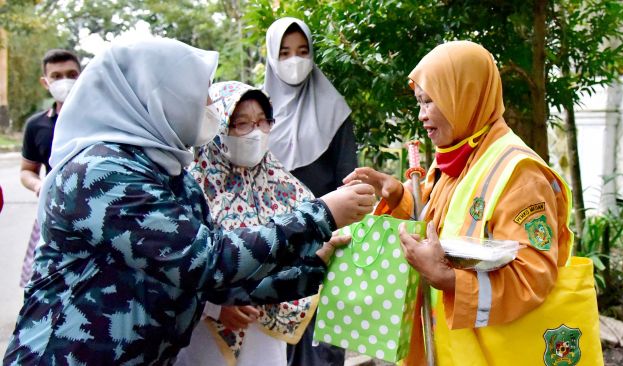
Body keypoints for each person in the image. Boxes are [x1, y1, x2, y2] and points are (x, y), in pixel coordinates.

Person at [3, 37, 375, 365]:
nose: (210, 105)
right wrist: (321, 214)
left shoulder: (166, 171)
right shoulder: (101, 173)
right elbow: (206, 261)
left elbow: (216, 284)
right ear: (156, 96)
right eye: (201, 95)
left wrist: (312, 264)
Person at [344, 41, 601, 365]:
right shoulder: (455, 159)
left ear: (461, 97)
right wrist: (398, 196)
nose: (422, 116)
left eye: (429, 102)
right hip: (454, 350)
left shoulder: (519, 175)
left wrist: (448, 279)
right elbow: (441, 223)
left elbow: (534, 276)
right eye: (419, 103)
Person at [176, 81, 335, 365]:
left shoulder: (281, 184)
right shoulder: (190, 189)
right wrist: (214, 306)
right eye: (242, 124)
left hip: (267, 334)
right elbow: (178, 266)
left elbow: (312, 240)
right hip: (205, 336)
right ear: (219, 127)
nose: (256, 133)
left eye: (263, 122)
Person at [263, 17, 357, 366]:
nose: (294, 60)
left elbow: (349, 180)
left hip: (327, 245)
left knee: (322, 350)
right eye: (284, 52)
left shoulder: (334, 110)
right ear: (271, 57)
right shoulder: (257, 115)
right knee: (273, 347)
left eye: (302, 51)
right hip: (272, 247)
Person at [19, 49, 81, 287]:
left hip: (95, 210)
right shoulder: (37, 125)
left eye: (71, 74)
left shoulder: (100, 119)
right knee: (48, 281)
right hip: (53, 212)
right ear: (45, 82)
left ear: (82, 75)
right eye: (56, 76)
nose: (64, 80)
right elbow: (27, 170)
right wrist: (38, 185)